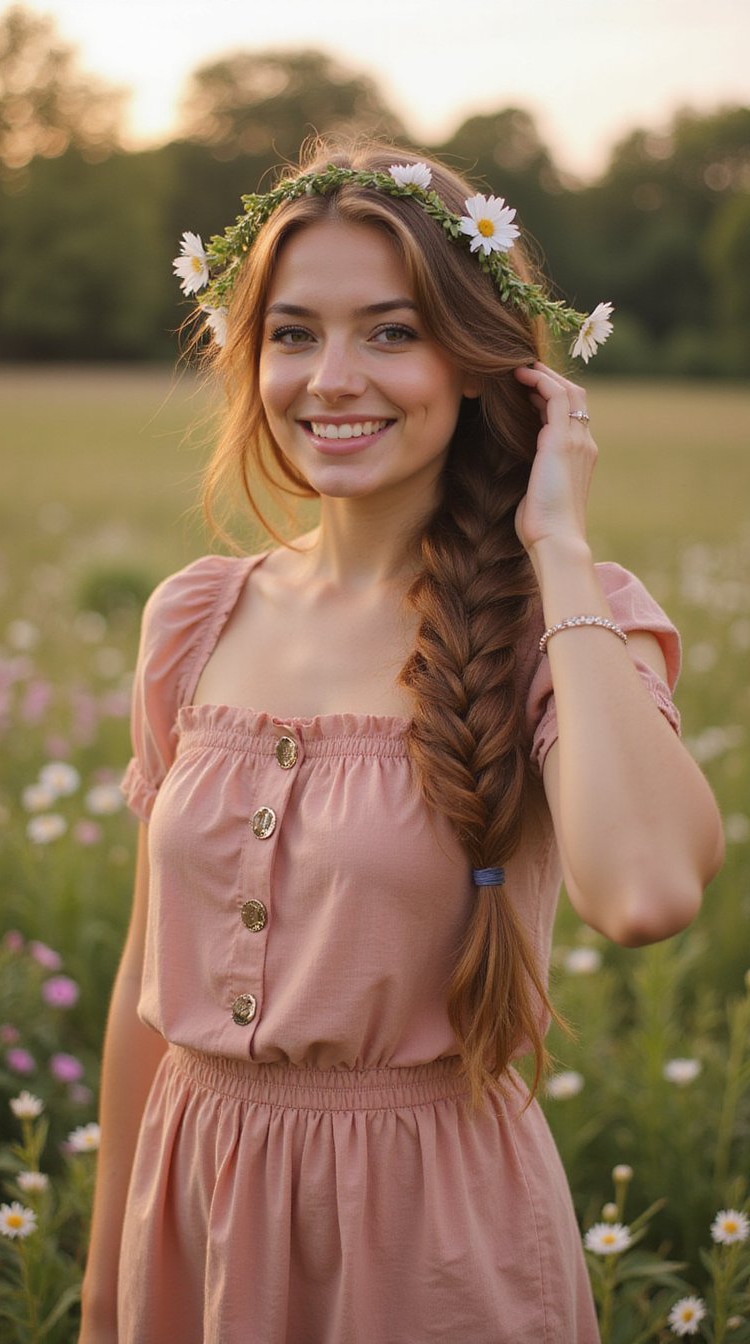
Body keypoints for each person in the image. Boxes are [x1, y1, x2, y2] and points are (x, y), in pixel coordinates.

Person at [78, 139, 724, 1344]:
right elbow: (141, 983)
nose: (333, 379)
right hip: (195, 1225)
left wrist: (561, 547)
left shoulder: (568, 627)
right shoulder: (194, 618)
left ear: (477, 361)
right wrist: (108, 1288)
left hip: (431, 1251)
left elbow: (644, 893)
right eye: (293, 332)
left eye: (390, 331)